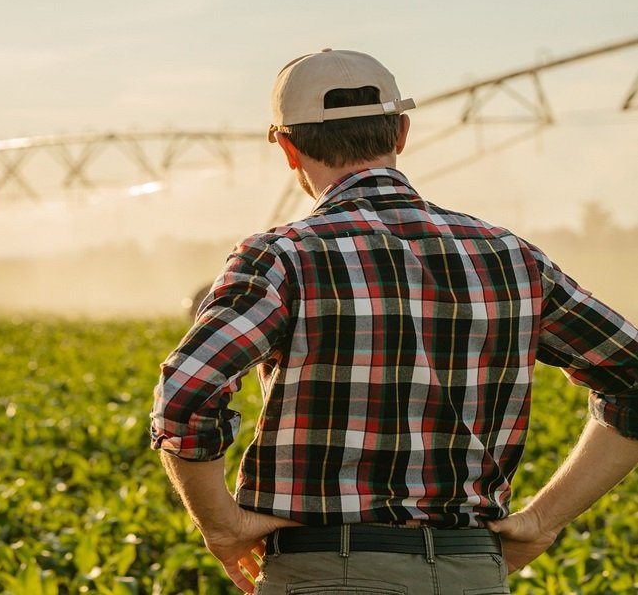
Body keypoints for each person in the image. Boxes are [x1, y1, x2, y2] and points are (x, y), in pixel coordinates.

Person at [149, 48, 638, 594]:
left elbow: (187, 391)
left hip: (324, 573)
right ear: (401, 133)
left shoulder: (282, 257)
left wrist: (221, 525)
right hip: (473, 572)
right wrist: (543, 520)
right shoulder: (512, 256)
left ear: (288, 148)